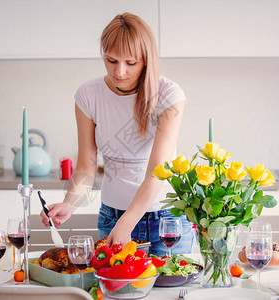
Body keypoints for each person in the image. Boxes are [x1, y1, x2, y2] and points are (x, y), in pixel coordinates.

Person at [40, 12, 193, 256]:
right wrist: (71, 203)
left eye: (130, 63)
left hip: (166, 222)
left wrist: (128, 223)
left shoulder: (169, 95)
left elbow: (158, 171)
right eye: (111, 60)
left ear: (146, 60)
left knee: (170, 293)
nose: (119, 71)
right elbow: (86, 168)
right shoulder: (88, 96)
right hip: (112, 217)